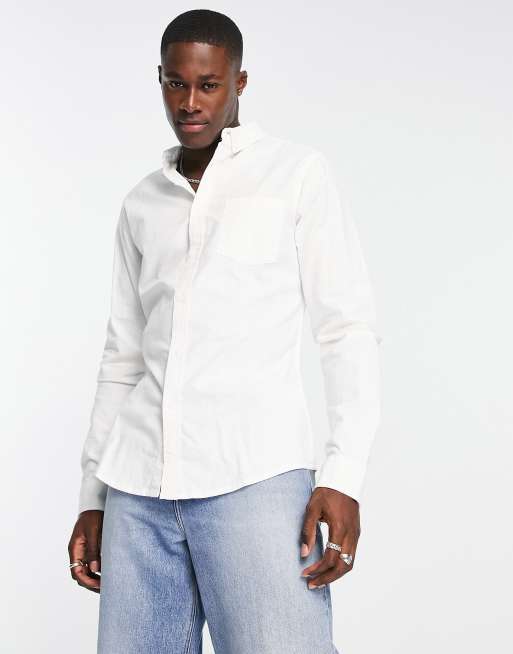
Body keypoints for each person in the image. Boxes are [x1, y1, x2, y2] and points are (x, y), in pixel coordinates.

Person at [67, 8, 382, 653]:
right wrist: (92, 497)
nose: (190, 101)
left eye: (208, 84)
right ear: (160, 81)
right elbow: (123, 358)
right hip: (138, 492)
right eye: (176, 83)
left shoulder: (295, 176)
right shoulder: (142, 203)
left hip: (255, 480)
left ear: (239, 82)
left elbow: (345, 330)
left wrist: (343, 475)